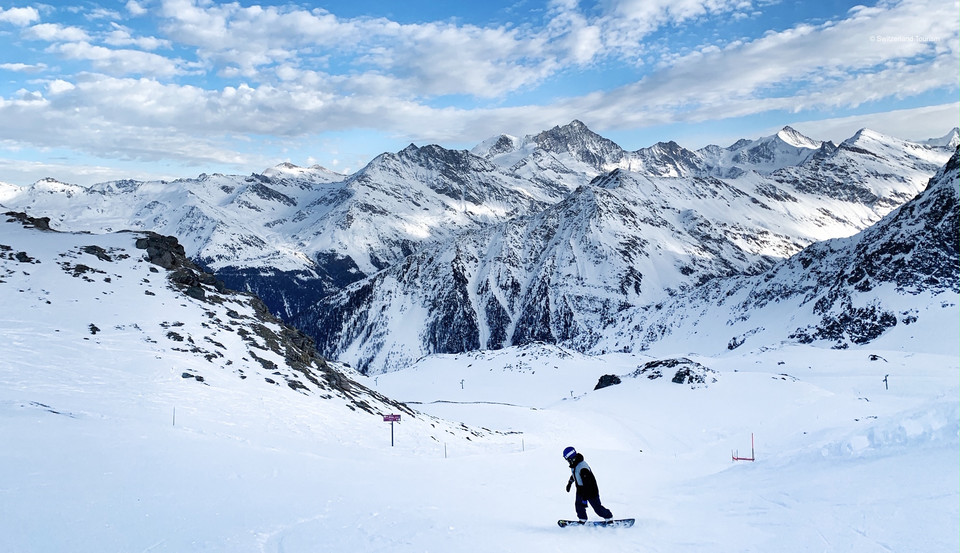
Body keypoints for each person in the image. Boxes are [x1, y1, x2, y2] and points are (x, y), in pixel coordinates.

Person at [563, 446, 613, 522]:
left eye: (568, 459)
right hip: (580, 489)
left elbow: (588, 483)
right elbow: (575, 475)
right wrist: (569, 483)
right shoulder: (574, 465)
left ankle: (609, 517)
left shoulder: (582, 467)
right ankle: (582, 519)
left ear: (572, 458)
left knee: (597, 508)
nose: (567, 461)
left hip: (591, 490)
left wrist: (584, 498)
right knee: (579, 506)